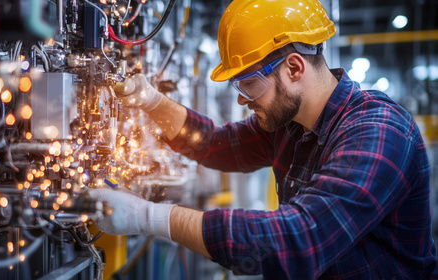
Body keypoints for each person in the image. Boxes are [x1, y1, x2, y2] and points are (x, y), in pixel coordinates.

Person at [89, 0, 438, 278]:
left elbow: (296, 240)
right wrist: (151, 101)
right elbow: (215, 144)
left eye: (248, 83)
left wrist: (150, 218)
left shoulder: (379, 132)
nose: (241, 98)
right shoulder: (290, 124)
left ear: (295, 68)